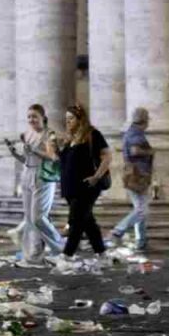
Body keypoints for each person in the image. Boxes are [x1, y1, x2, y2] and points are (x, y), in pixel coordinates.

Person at [4, 104, 63, 265]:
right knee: (30, 218)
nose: (31, 119)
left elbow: (53, 157)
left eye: (34, 116)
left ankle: (61, 247)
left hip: (43, 175)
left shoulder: (49, 134)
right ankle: (34, 255)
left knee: (38, 217)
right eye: (29, 116)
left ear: (42, 117)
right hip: (27, 173)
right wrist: (14, 152)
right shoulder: (27, 134)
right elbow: (27, 159)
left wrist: (34, 150)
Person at [57, 104, 112, 259]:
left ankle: (66, 256)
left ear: (80, 119)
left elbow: (107, 156)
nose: (68, 122)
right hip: (70, 188)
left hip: (87, 186)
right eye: (66, 119)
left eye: (71, 118)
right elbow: (62, 161)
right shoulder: (69, 139)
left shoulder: (92, 134)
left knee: (76, 221)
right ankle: (101, 253)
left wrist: (96, 176)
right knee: (87, 221)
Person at [110, 107, 155, 250]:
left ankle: (141, 241)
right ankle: (118, 230)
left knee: (139, 208)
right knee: (142, 210)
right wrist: (150, 151)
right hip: (138, 174)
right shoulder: (137, 133)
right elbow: (134, 151)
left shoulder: (130, 131)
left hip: (132, 173)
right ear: (144, 120)